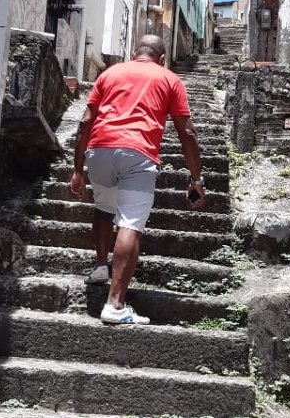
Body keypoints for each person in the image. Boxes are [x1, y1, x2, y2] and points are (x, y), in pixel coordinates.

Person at [69, 35, 206, 325]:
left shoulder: (110, 73)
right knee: (130, 225)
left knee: (105, 208)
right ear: (162, 58)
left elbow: (84, 121)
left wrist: (78, 169)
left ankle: (99, 266)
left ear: (134, 53)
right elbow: (188, 133)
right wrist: (196, 178)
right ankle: (115, 305)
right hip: (138, 155)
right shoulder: (169, 79)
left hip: (99, 151)